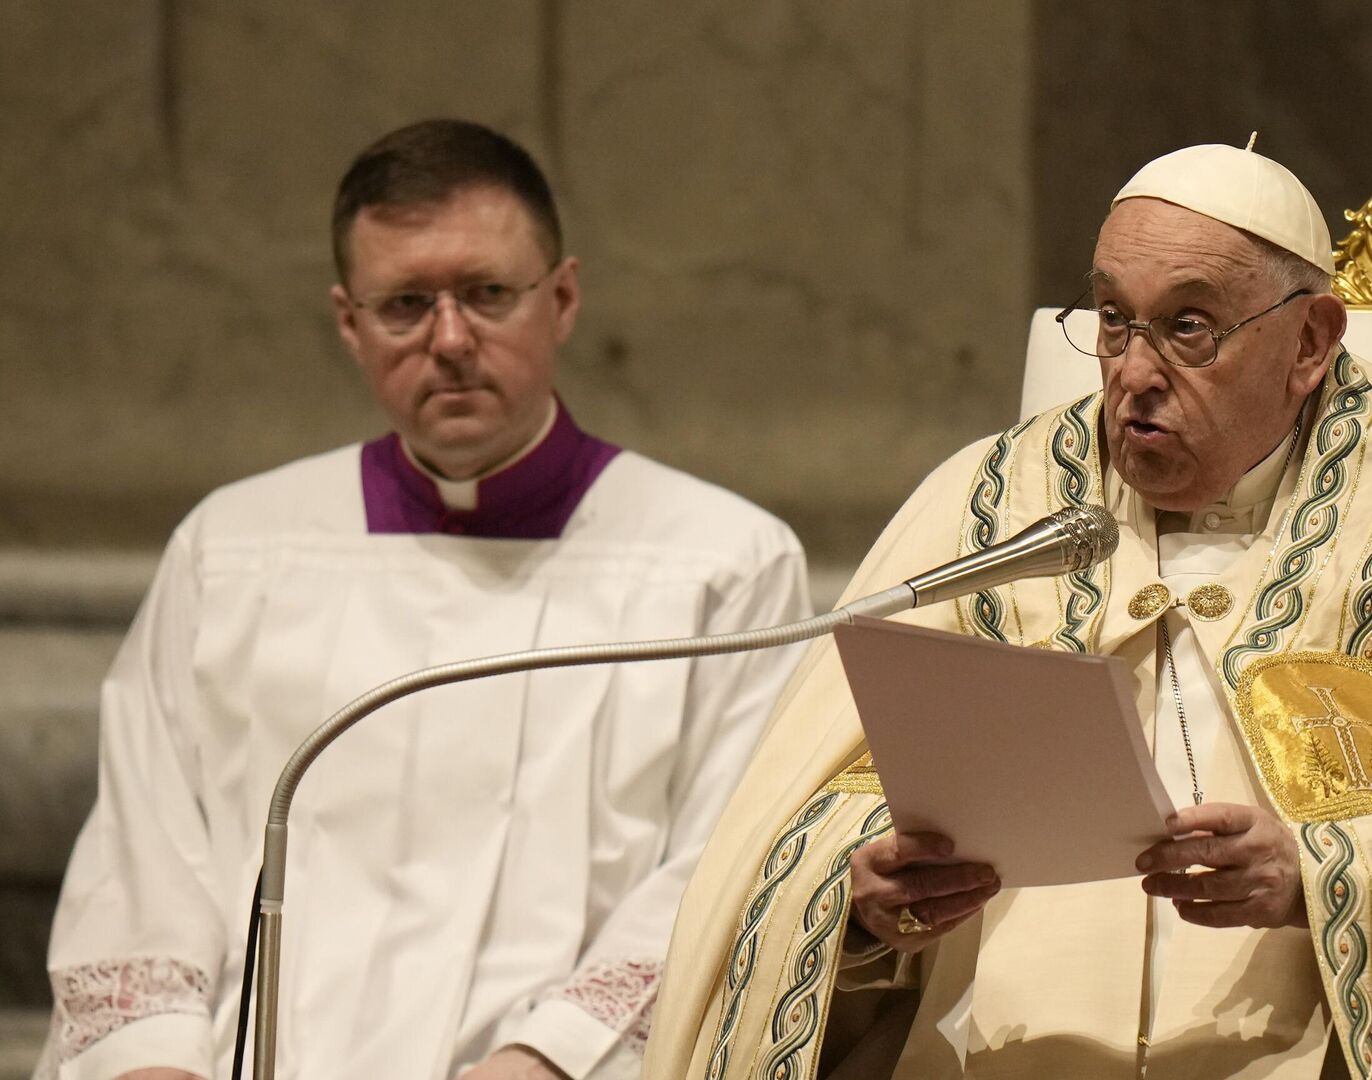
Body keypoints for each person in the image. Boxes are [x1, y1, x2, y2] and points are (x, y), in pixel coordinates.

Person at [640, 143, 1372, 1079]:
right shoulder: (992, 506)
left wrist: (1319, 878)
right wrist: (868, 897)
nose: (1134, 372)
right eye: (1110, 319)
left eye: (1188, 326)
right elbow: (793, 836)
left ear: (1311, 343)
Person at [37, 119, 810, 1080]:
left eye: (488, 294)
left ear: (561, 298)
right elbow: (143, 851)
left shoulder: (721, 563)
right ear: (347, 321)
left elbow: (726, 865)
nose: (449, 340)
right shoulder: (233, 548)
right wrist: (155, 1064)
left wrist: (544, 1059)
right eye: (404, 304)